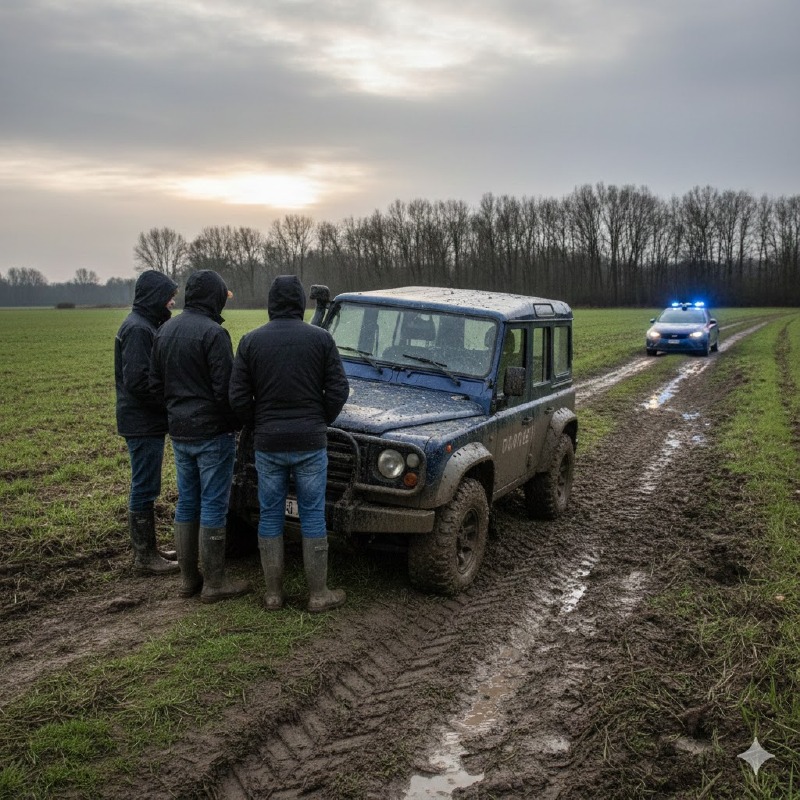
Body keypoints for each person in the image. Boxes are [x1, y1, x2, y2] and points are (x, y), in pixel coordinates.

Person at [229, 275, 349, 612]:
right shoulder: (321, 339)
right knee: (312, 514)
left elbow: (237, 396)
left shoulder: (251, 341)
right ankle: (319, 595)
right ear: (300, 303)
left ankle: (273, 595)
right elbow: (339, 389)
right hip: (310, 442)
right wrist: (320, 420)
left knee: (269, 515)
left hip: (268, 444)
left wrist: (259, 423)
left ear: (271, 303)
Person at [150, 269, 249, 603]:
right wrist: (235, 423)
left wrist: (175, 412)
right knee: (213, 504)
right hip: (213, 434)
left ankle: (188, 580)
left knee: (187, 501)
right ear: (215, 297)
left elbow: (154, 384)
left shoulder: (164, 330)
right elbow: (226, 391)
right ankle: (215, 583)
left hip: (180, 433)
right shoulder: (214, 334)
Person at [114, 269, 181, 576]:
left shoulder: (143, 324)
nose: (172, 302)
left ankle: (150, 550)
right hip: (142, 422)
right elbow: (139, 382)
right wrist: (169, 401)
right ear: (155, 296)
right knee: (144, 486)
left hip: (144, 421)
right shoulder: (139, 329)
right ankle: (145, 557)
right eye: (168, 296)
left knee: (147, 484)